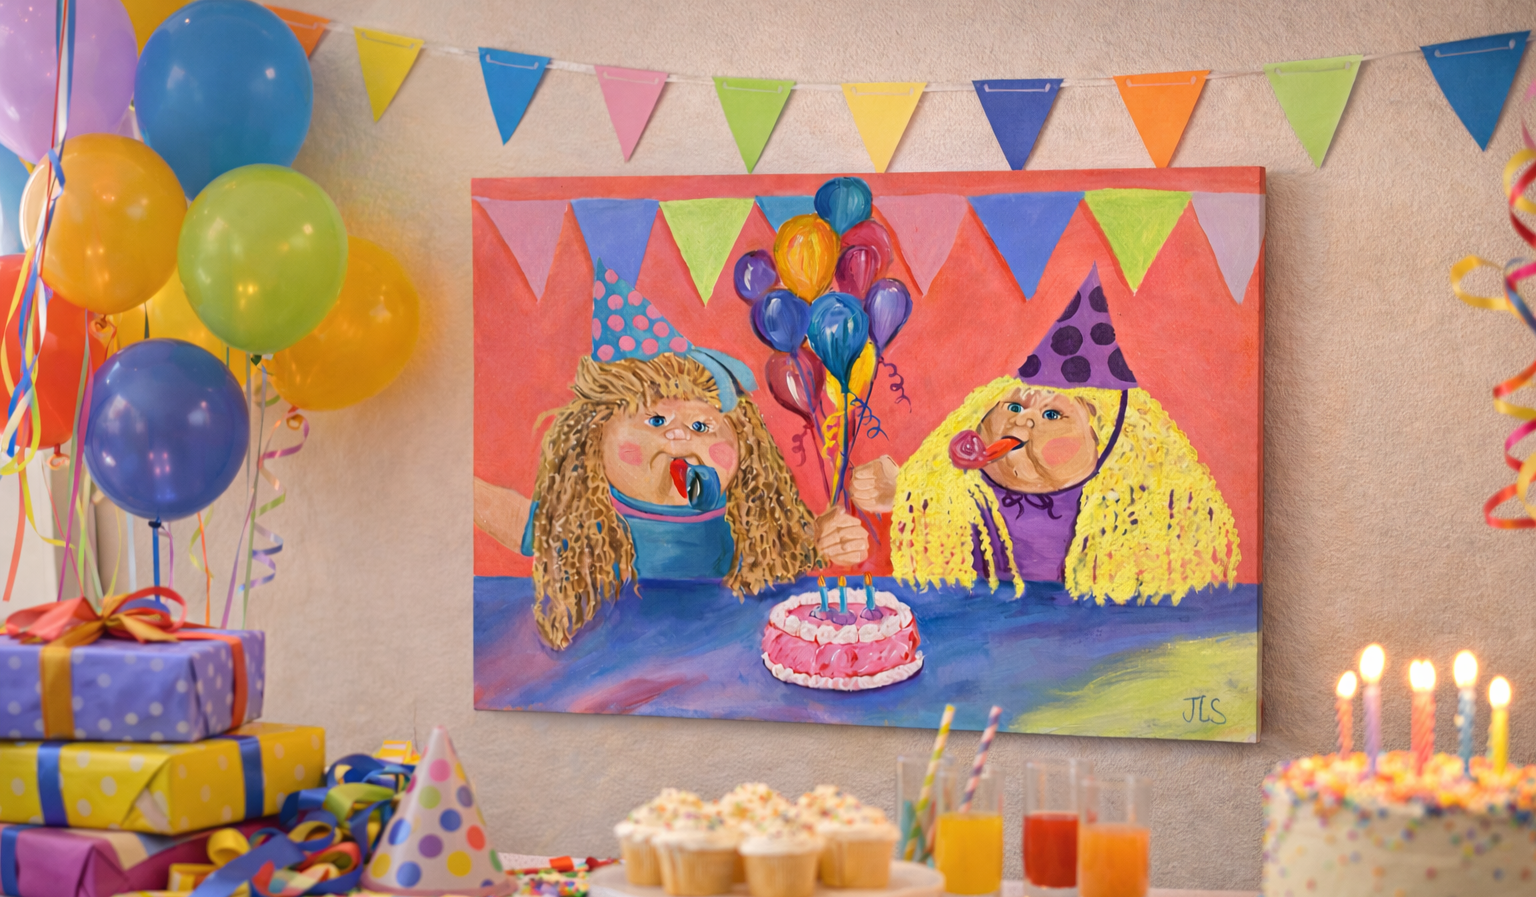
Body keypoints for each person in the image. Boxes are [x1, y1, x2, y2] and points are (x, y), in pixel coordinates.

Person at [474, 262, 865, 649]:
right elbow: (518, 520)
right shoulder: (584, 522)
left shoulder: (751, 519)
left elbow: (790, 552)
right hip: (612, 662)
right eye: (656, 419)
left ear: (746, 446)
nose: (677, 435)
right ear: (594, 440)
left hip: (725, 653)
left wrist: (822, 537)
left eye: (701, 427)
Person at [848, 264, 1240, 606]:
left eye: (1052, 414)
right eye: (1014, 408)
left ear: (1105, 442)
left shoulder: (1143, 506)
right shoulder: (964, 491)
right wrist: (907, 490)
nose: (1023, 423)